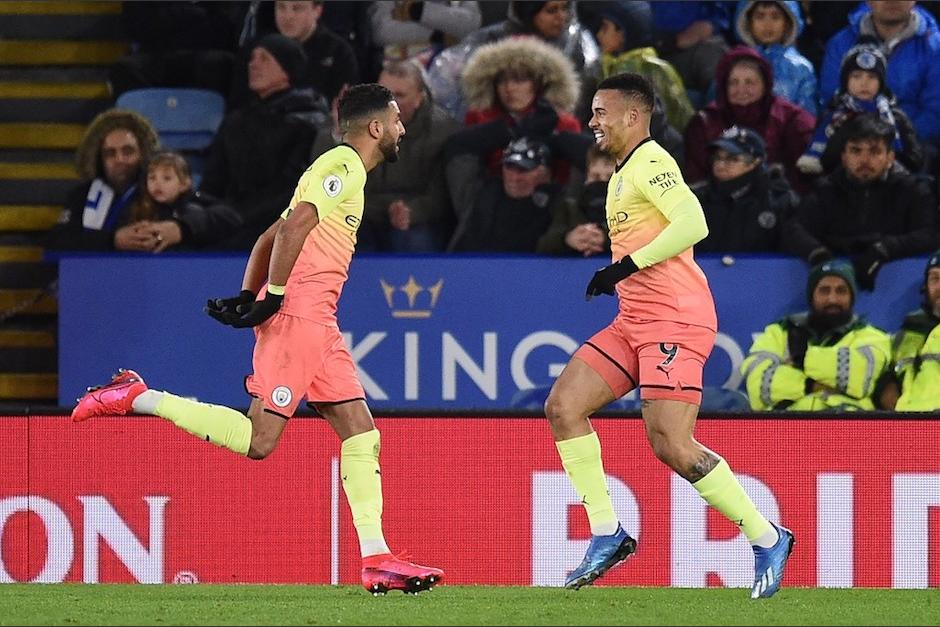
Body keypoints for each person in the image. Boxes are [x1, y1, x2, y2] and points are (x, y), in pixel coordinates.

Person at [70, 84, 444, 595]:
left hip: (317, 320)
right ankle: (138, 396)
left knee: (361, 433)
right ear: (376, 127)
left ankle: (377, 558)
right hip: (301, 316)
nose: (402, 129)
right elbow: (293, 232)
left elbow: (273, 232)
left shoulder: (329, 168)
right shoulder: (345, 165)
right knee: (259, 439)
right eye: (397, 120)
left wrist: (250, 295)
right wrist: (273, 300)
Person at [544, 73, 794, 599]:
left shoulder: (653, 161)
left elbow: (693, 222)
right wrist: (621, 276)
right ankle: (607, 533)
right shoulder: (621, 172)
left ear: (633, 116)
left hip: (675, 320)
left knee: (672, 445)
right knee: (564, 407)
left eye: (600, 112)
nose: (592, 122)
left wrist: (623, 266)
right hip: (634, 320)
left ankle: (768, 536)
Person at [785, 115, 938, 291]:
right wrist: (820, 257)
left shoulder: (912, 190)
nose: (864, 160)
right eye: (856, 151)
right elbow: (793, 230)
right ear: (844, 156)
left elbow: (930, 234)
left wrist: (885, 248)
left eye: (874, 151)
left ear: (890, 157)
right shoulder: (825, 190)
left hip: (899, 288)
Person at [741, 261, 891, 411]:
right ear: (811, 296)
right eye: (824, 291)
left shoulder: (873, 336)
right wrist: (810, 385)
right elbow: (759, 384)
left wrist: (802, 359)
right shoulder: (779, 332)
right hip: (788, 428)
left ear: (852, 297)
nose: (832, 299)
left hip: (848, 428)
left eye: (841, 291)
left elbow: (859, 379)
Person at [797, 40, 922, 176]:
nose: (864, 83)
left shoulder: (896, 117)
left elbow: (913, 160)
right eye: (856, 76)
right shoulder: (831, 117)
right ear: (846, 81)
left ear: (881, 82)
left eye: (872, 77)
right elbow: (824, 163)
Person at [46, 109, 160, 252]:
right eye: (110, 153)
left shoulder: (161, 191)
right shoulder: (82, 196)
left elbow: (194, 220)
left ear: (143, 153)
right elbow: (58, 242)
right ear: (99, 159)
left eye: (128, 151)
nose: (120, 159)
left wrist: (176, 229)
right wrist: (113, 240)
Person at [693, 125, 797, 253]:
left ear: (755, 162)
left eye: (732, 159)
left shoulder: (778, 199)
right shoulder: (695, 198)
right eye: (717, 157)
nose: (720, 164)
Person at [137, 151, 243, 251]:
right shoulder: (139, 206)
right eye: (152, 178)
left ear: (184, 184)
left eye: (167, 178)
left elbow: (231, 217)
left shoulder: (196, 205)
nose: (157, 184)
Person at [876, 251, 940, 411]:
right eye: (935, 278)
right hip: (909, 428)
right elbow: (883, 372)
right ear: (926, 286)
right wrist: (885, 385)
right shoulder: (905, 334)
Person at [733, 1, 818, 116]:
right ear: (748, 22)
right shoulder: (734, 64)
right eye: (760, 16)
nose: (767, 24)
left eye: (775, 17)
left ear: (787, 22)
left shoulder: (800, 68)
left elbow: (807, 118)